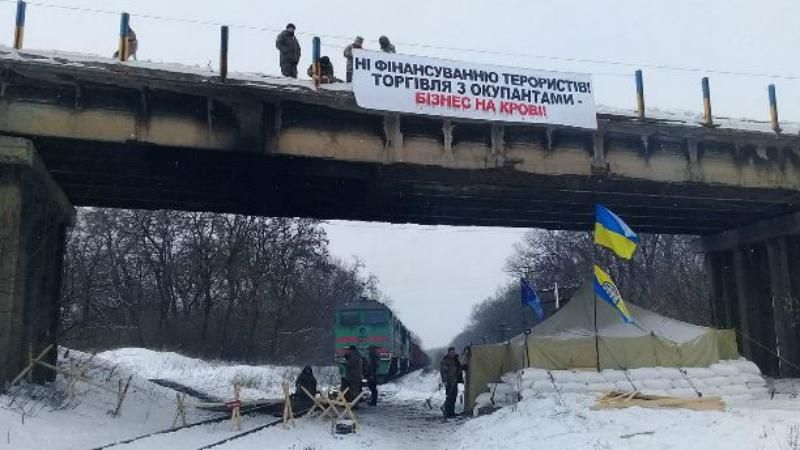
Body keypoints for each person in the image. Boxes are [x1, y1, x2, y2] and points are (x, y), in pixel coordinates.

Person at [440, 346, 461, 418]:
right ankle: (446, 411)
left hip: (454, 380)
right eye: (452, 352)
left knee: (454, 396)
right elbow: (443, 372)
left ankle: (452, 412)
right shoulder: (446, 360)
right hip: (449, 381)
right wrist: (445, 381)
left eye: (454, 352)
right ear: (449, 352)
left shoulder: (455, 359)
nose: (453, 353)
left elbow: (459, 367)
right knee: (449, 396)